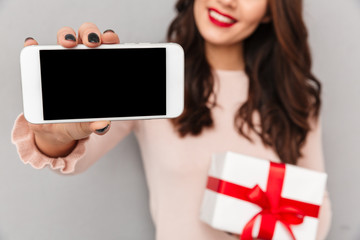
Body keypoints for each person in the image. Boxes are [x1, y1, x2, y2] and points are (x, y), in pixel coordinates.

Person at [12, 0, 332, 239]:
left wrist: (257, 214)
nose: (227, 1)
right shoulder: (152, 84)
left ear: (270, 10)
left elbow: (319, 212)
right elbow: (75, 161)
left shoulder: (296, 100)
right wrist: (55, 136)